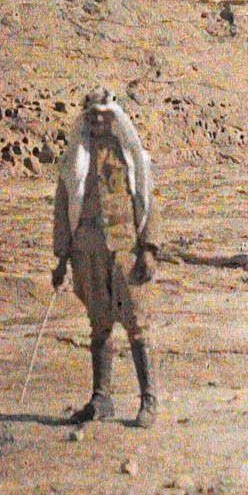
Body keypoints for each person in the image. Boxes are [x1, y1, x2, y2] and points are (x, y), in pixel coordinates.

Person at [52, 86, 159, 427]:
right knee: (99, 326)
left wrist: (149, 249)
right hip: (87, 252)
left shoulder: (130, 156)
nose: (98, 121)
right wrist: (61, 259)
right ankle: (102, 398)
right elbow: (63, 206)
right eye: (92, 116)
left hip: (124, 250)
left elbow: (147, 199)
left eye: (104, 115)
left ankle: (149, 401)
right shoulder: (75, 159)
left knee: (136, 324)